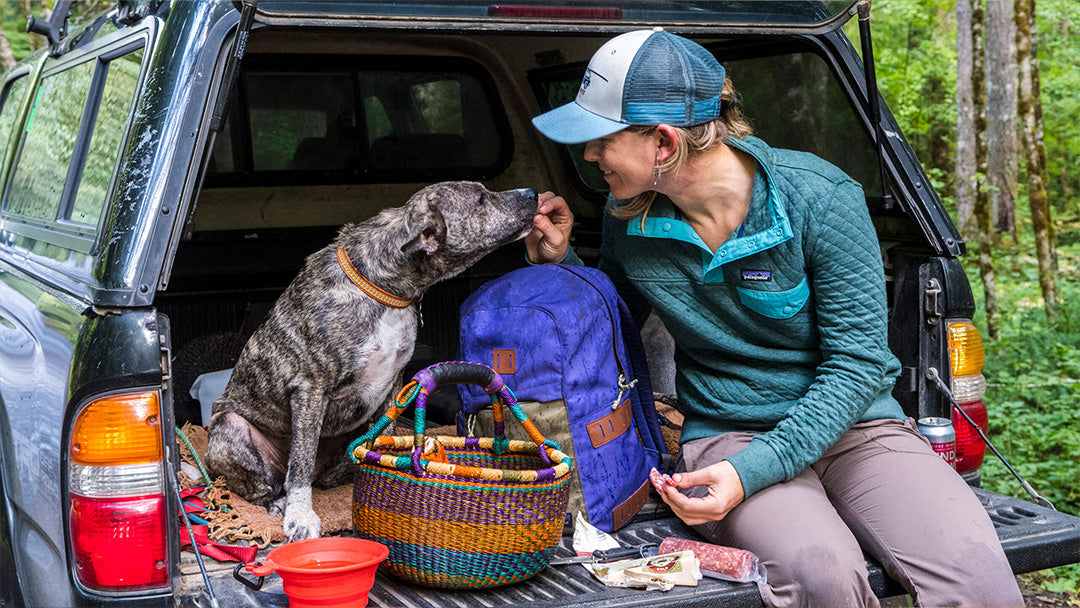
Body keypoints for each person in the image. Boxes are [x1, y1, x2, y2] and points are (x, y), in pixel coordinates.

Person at [527, 28, 1022, 608]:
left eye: (600, 139)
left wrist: (759, 468)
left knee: (978, 580)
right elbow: (614, 321)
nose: (587, 155)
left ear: (663, 144)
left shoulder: (819, 196)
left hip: (857, 428)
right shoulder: (626, 216)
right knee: (822, 578)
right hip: (729, 433)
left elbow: (860, 365)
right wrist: (564, 261)